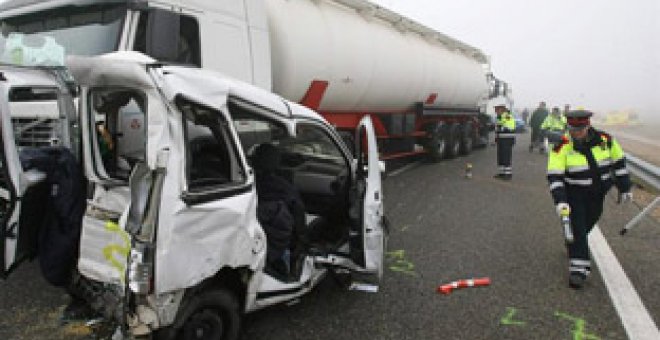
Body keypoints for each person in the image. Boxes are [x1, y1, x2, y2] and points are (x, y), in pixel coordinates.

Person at [546, 109, 633, 289]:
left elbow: (619, 163)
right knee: (578, 225)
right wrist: (560, 200)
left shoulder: (606, 140)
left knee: (589, 222)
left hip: (598, 193)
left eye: (579, 129)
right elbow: (555, 176)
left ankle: (574, 243)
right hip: (574, 193)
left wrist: (625, 187)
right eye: (572, 129)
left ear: (588, 126)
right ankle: (578, 269)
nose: (575, 133)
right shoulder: (562, 145)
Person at [493, 103, 516, 180]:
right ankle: (501, 173)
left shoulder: (507, 116)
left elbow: (510, 127)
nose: (495, 111)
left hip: (507, 139)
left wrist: (501, 128)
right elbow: (497, 127)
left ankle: (508, 174)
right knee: (501, 157)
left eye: (496, 109)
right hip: (501, 139)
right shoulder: (499, 117)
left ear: (501, 109)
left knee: (506, 156)